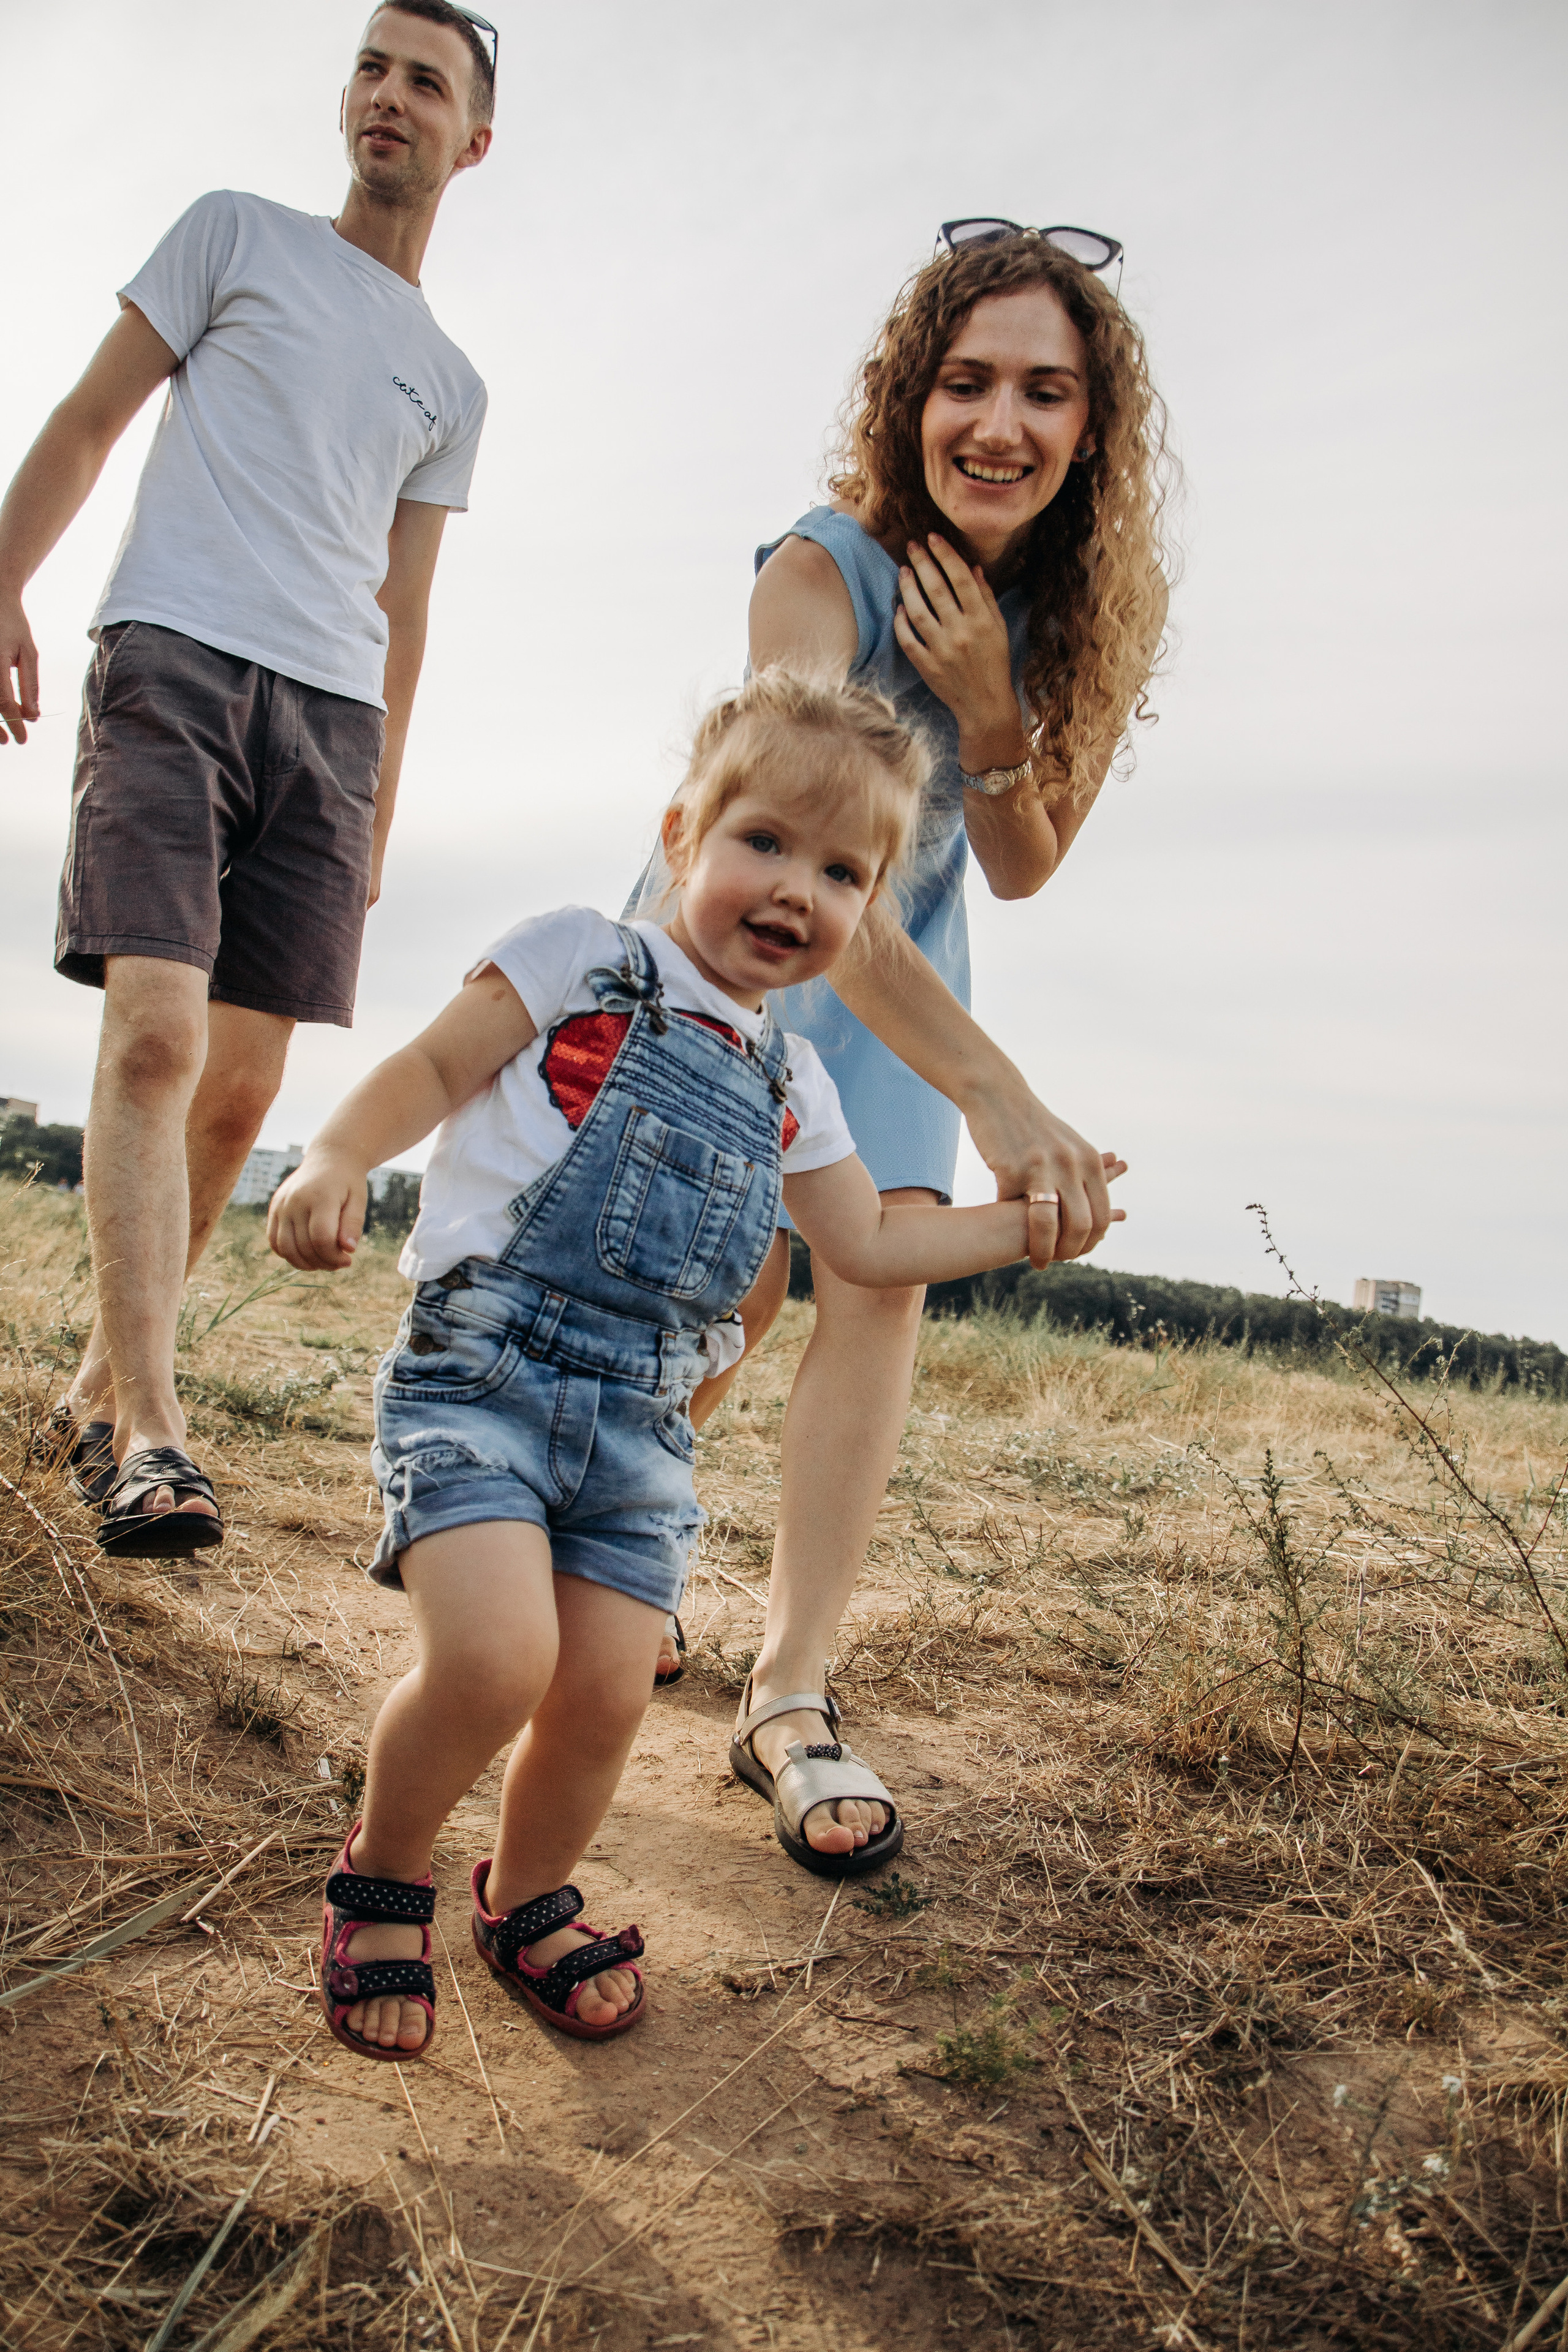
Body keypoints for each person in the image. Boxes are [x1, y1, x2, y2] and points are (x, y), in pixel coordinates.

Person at [267, 669, 1091, 2059]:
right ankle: (386, 1861)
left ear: (866, 912)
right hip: (488, 1373)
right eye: (762, 842)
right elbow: (428, 1064)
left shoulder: (796, 1086)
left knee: (597, 1692)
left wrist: (1023, 1224)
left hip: (642, 1427)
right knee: (495, 1657)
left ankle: (524, 1889)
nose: (793, 889)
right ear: (679, 838)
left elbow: (868, 1256)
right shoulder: (577, 956)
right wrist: (342, 1152)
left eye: (841, 871)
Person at [644, 221, 1171, 1871]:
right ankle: (627, 1544)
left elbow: (1016, 861)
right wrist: (1001, 1092)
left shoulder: (1082, 613)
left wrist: (994, 702)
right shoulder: (816, 567)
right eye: (965, 383)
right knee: (727, 1288)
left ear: (1091, 430)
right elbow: (809, 881)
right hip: (767, 939)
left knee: (878, 1284)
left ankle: (787, 1690)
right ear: (911, 398)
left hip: (914, 966)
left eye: (1044, 392)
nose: (998, 426)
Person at [0, 2, 498, 1558]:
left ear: (472, 138)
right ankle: (153, 1430)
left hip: (331, 731)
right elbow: (91, 417)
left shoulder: (453, 383)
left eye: (426, 82)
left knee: (238, 1094)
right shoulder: (234, 236)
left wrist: (382, 796)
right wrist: (4, 578)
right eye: (372, 67)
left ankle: (98, 1389)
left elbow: (405, 608)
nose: (388, 98)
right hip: (174, 660)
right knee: (152, 1034)